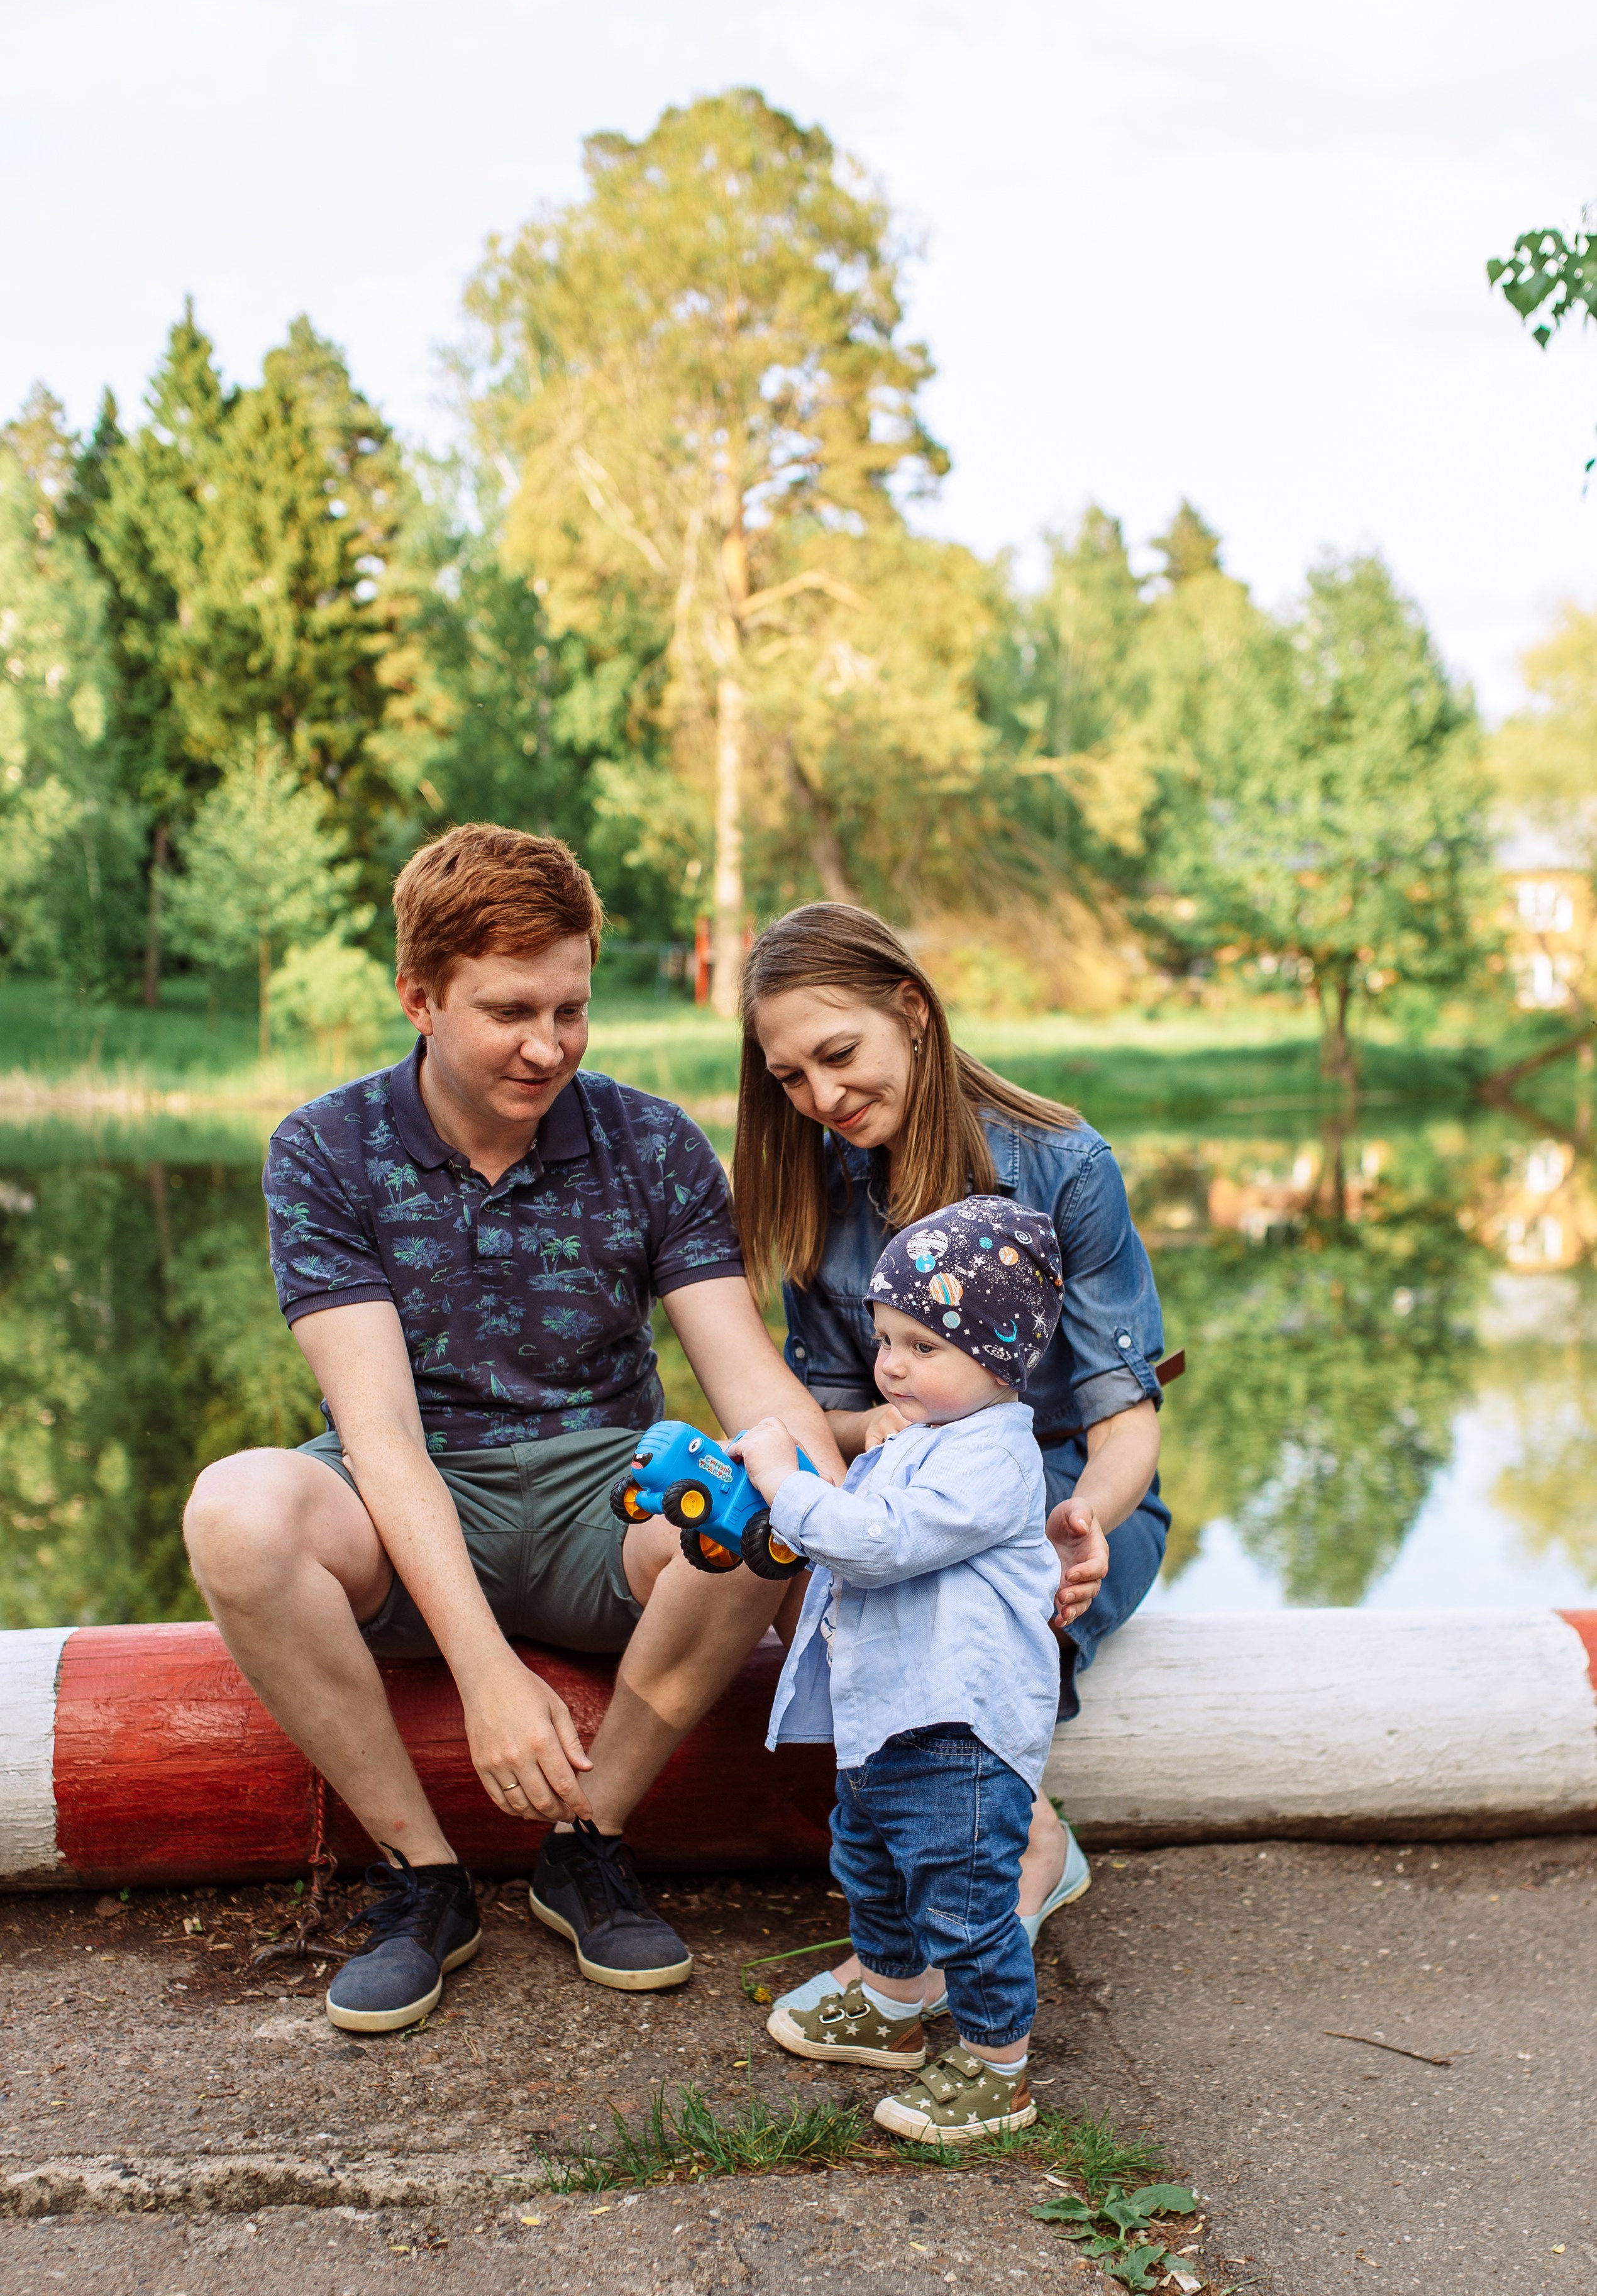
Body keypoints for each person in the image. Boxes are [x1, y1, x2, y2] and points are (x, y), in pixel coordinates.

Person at [182, 824, 842, 2034]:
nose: (549, 1047)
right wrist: (487, 1673)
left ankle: (587, 1843)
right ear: (420, 999)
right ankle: (421, 1877)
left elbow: (753, 1383)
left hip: (608, 1501)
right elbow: (380, 1434)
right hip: (411, 1492)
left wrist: (850, 1517)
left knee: (769, 1489)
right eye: (509, 1012)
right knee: (234, 1509)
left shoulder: (654, 1143)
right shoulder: (324, 1150)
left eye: (571, 1010)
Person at [733, 901, 1169, 2019]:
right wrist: (860, 1437)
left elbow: (1125, 1421)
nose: (822, 1097)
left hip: (1057, 1494)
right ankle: (955, 1868)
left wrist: (1086, 1523)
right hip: (903, 1499)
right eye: (790, 1077)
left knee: (967, 1598)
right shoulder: (820, 1183)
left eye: (840, 1054)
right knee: (830, 1562)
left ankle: (1006, 1862)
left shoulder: (1063, 1167)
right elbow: (833, 1415)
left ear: (912, 1011)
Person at [739, 1194, 1066, 2144]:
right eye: (885, 1339)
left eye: (924, 1346)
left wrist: (784, 1479)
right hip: (887, 1716)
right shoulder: (928, 1440)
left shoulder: (995, 1459)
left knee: (963, 1903)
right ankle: (892, 2006)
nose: (890, 1365)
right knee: (873, 1871)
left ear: (1001, 1357)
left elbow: (876, 1545)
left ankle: (999, 2069)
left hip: (958, 1729)